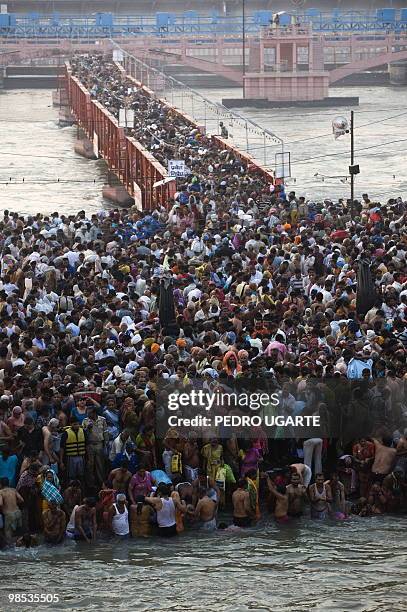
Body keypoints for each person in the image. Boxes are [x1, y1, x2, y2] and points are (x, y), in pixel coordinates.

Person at [60, 419, 86, 483]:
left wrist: (89, 458)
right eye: (74, 424)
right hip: (70, 457)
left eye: (77, 424)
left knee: (82, 475)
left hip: (81, 456)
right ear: (71, 424)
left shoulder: (83, 431)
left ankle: (81, 489)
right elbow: (62, 448)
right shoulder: (66, 433)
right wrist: (61, 461)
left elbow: (87, 445)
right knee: (71, 475)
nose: (76, 426)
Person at [0, 477, 24, 541]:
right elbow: (21, 500)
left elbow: (0, 504)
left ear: (1, 484)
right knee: (19, 535)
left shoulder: (1, 492)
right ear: (9, 483)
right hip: (18, 513)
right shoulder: (13, 490)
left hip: (9, 515)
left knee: (9, 536)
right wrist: (15, 502)